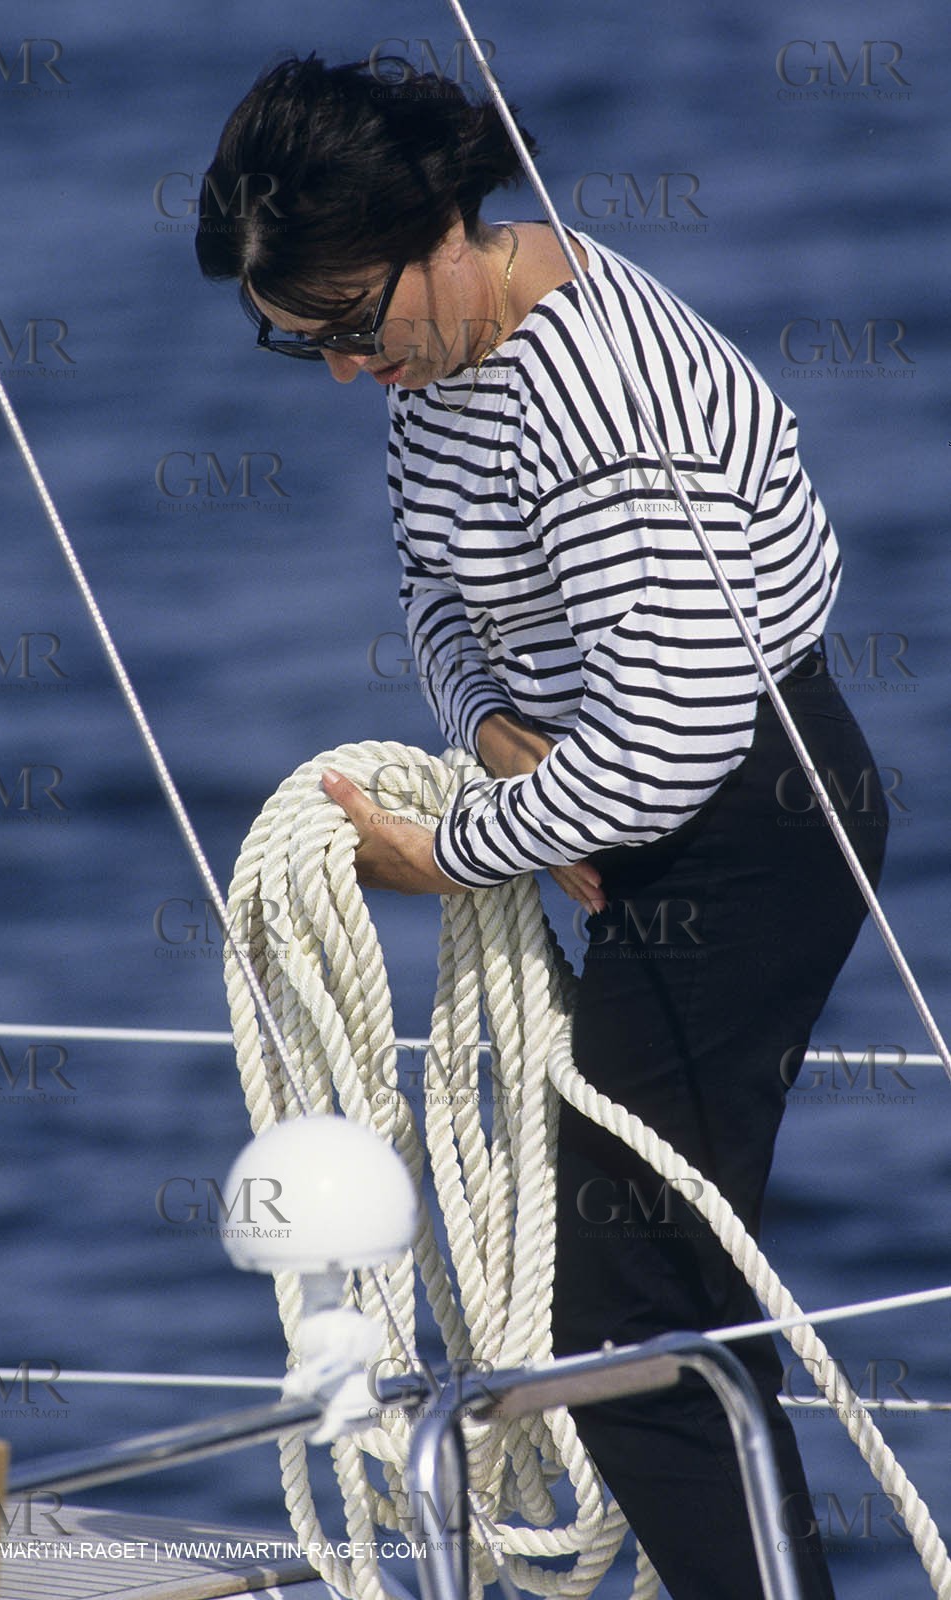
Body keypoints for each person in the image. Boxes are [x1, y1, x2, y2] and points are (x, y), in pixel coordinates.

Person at [197, 53, 888, 1600]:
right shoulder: (443, 365)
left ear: (445, 225)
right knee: (667, 1301)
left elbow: (671, 744)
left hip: (753, 830)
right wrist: (488, 730)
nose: (340, 372)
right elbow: (436, 591)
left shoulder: (585, 402)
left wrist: (443, 849)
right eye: (295, 341)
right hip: (638, 807)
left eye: (350, 326)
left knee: (622, 1324)